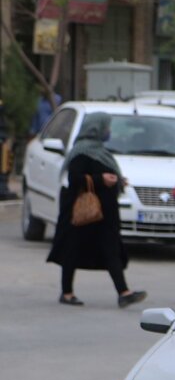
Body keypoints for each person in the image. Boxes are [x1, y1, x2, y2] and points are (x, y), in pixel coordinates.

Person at [46, 113, 146, 308]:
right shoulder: (82, 151)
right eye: (106, 127)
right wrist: (101, 179)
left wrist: (117, 180)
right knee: (72, 251)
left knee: (111, 250)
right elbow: (75, 179)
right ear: (97, 128)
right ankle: (66, 293)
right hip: (85, 213)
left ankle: (124, 292)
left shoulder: (100, 151)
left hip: (104, 215)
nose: (108, 131)